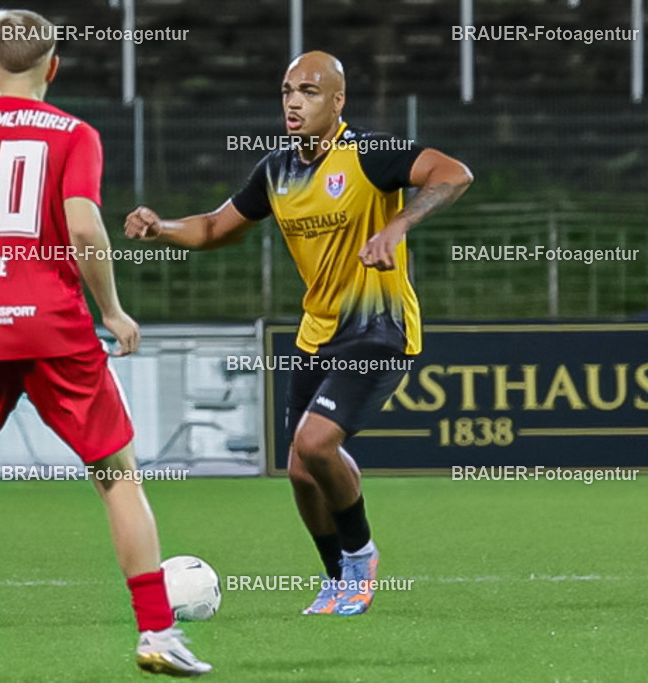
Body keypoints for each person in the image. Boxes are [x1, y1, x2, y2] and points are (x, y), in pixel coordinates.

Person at [0, 9, 210, 679]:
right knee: (116, 475)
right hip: (54, 326)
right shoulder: (74, 134)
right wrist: (111, 310)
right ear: (53, 66)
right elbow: (83, 229)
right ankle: (156, 632)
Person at [125, 51, 473, 616]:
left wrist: (398, 224)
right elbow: (214, 227)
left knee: (315, 444)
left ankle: (360, 557)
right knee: (299, 470)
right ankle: (337, 579)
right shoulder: (276, 171)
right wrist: (160, 226)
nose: (293, 102)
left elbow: (454, 173)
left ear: (338, 102)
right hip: (318, 333)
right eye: (288, 91)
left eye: (309, 92)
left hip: (379, 328)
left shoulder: (369, 154)